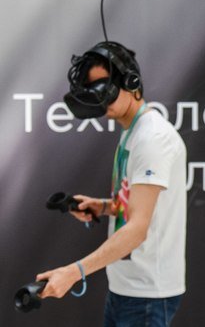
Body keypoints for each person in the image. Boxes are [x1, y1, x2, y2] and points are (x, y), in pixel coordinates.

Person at [36, 41, 187, 327]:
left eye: (104, 88)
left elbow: (137, 229)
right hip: (128, 289)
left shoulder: (152, 139)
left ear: (131, 83)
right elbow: (137, 206)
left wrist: (73, 272)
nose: (99, 98)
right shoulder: (134, 131)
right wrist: (103, 207)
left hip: (146, 295)